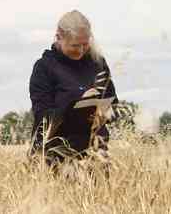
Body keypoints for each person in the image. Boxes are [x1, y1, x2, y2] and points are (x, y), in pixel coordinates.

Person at [28, 10, 118, 167]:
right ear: (59, 38)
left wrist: (104, 113)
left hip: (95, 155)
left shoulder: (98, 63)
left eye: (85, 44)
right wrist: (79, 104)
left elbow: (113, 103)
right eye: (75, 45)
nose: (81, 50)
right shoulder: (43, 68)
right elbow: (42, 117)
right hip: (55, 156)